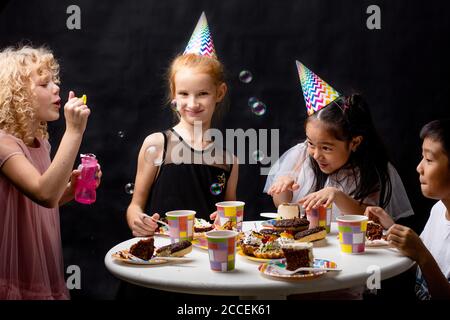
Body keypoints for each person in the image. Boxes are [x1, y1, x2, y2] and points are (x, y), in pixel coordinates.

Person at [0, 45, 101, 299]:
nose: (56, 88)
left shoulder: (40, 143)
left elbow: (47, 202)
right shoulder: (3, 143)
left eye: (54, 81)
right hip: (12, 271)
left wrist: (70, 189)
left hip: (41, 266)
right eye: (44, 84)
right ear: (17, 95)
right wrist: (75, 131)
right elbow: (44, 193)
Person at [126, 12, 238, 237]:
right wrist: (137, 219)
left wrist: (228, 219)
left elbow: (230, 216)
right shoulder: (158, 144)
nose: (192, 103)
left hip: (207, 258)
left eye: (203, 93)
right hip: (163, 255)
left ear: (220, 93)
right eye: (184, 94)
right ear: (174, 94)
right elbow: (135, 206)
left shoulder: (228, 160)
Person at [265, 61, 414, 221]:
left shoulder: (371, 170)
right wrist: (283, 190)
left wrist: (336, 194)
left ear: (354, 143)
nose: (316, 155)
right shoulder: (302, 155)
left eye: (326, 148)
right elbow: (282, 205)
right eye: (311, 143)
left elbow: (372, 217)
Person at [365, 119, 450, 299]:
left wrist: (422, 254)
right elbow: (419, 270)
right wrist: (391, 228)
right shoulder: (438, 210)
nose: (419, 167)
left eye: (429, 159)